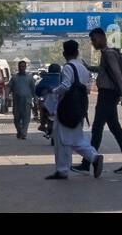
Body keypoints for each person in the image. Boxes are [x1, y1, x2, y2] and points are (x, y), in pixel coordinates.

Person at [77, 28, 122, 175]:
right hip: (109, 95)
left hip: (107, 96)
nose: (93, 43)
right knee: (114, 129)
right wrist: (89, 67)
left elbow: (117, 75)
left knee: (98, 129)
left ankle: (87, 164)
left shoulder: (109, 54)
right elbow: (104, 70)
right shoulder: (109, 54)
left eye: (94, 40)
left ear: (101, 37)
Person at [43, 40, 102, 180]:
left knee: (63, 139)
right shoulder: (82, 68)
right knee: (74, 137)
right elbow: (86, 87)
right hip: (79, 107)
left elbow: (66, 85)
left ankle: (69, 167)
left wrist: (54, 91)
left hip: (66, 108)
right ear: (77, 52)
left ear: (64, 53)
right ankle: (88, 159)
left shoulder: (68, 67)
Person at [34, 63, 62, 139]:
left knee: (42, 106)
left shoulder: (45, 78)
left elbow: (37, 90)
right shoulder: (62, 78)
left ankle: (42, 124)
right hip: (57, 102)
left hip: (51, 102)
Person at [9, 60, 35, 139]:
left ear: (25, 67)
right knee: (16, 118)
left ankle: (23, 133)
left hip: (27, 101)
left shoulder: (30, 78)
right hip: (17, 102)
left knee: (26, 118)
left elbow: (33, 89)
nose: (22, 68)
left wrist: (35, 99)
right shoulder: (14, 78)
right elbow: (9, 88)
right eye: (20, 66)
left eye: (23, 66)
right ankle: (19, 130)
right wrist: (7, 97)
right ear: (18, 67)